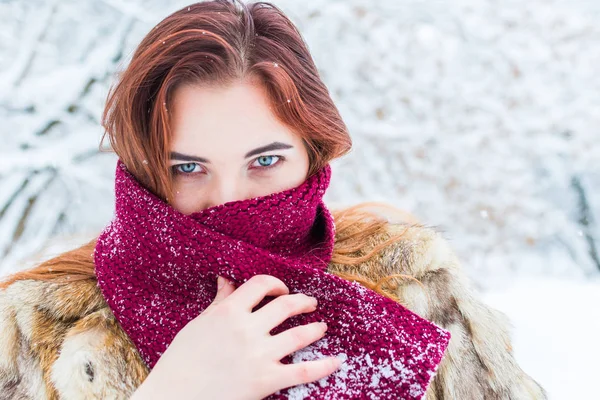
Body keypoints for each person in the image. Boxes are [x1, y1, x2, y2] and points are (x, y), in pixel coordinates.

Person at [0, 0, 547, 399]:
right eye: (187, 168)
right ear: (143, 171)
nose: (230, 199)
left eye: (264, 161)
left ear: (313, 153)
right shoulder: (34, 328)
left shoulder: (410, 285)